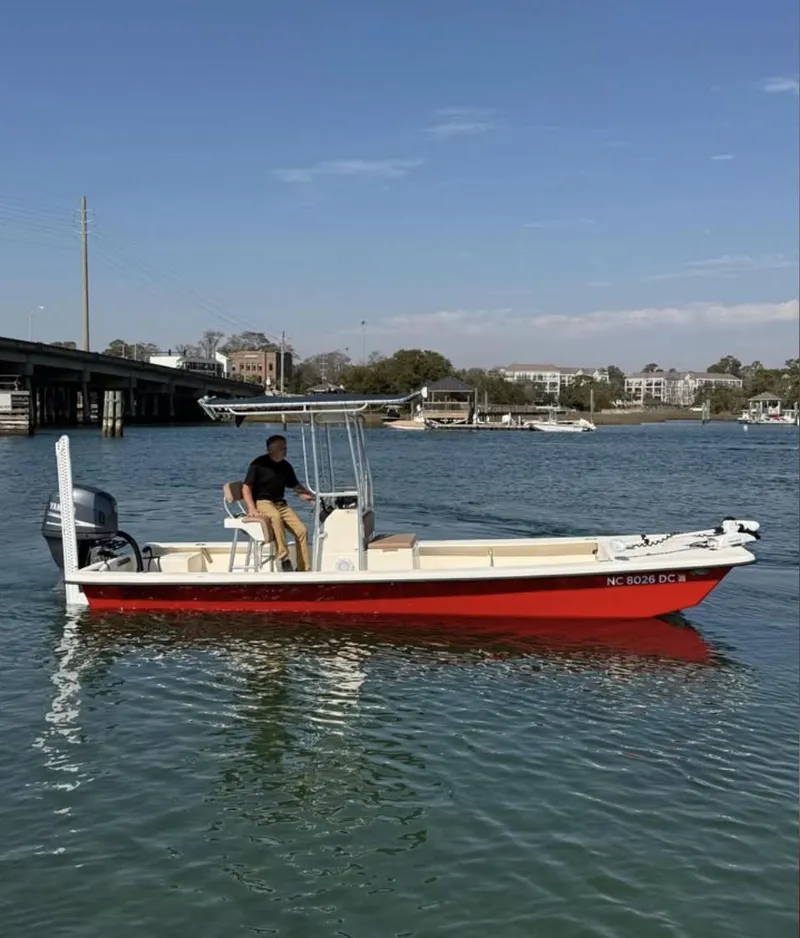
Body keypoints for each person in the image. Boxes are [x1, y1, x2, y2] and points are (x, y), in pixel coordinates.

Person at [242, 434, 314, 571]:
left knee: (302, 530)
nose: (285, 450)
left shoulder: (286, 466)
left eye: (285, 447)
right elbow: (246, 488)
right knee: (275, 516)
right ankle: (283, 556)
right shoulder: (258, 464)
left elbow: (296, 487)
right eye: (281, 447)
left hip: (280, 503)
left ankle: (303, 568)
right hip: (262, 502)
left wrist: (313, 500)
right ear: (271, 449)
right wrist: (251, 508)